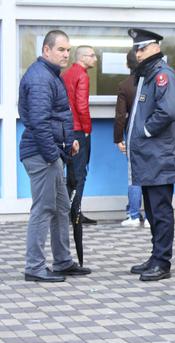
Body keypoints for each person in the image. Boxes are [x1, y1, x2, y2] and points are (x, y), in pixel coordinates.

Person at [19, 29, 92, 282]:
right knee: (44, 208)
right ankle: (34, 267)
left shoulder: (51, 75)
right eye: (61, 49)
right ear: (46, 50)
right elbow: (39, 123)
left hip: (50, 150)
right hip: (41, 154)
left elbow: (55, 118)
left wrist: (66, 142)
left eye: (68, 50)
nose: (65, 54)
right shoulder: (41, 78)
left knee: (61, 207)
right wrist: (53, 154)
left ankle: (62, 262)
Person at [126, 28, 175, 281]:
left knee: (160, 212)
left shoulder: (162, 75)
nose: (137, 53)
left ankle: (162, 262)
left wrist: (146, 131)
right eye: (135, 49)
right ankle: (155, 256)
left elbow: (169, 109)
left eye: (141, 48)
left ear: (154, 47)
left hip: (159, 158)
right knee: (152, 211)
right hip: (150, 158)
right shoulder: (147, 76)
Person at [62, 45, 98, 225]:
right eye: (92, 56)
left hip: (66, 130)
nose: (95, 59)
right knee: (80, 174)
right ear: (82, 57)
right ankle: (74, 214)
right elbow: (81, 106)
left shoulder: (66, 74)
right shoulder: (82, 76)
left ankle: (67, 212)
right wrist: (86, 130)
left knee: (70, 174)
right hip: (78, 130)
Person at [114, 48, 148, 228]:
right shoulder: (153, 82)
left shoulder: (125, 85)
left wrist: (118, 139)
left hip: (133, 134)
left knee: (134, 175)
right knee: (151, 175)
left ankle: (134, 215)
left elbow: (121, 116)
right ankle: (151, 218)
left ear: (127, 64)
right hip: (153, 134)